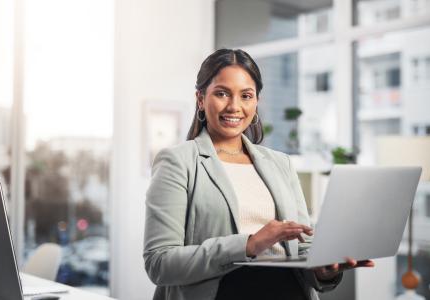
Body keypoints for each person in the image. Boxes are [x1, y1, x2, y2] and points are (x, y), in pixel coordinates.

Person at [143, 49, 374, 300]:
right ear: (200, 98)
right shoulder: (178, 162)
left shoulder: (280, 163)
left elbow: (303, 246)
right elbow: (160, 262)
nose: (234, 106)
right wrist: (249, 244)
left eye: (246, 96)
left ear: (256, 102)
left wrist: (324, 270)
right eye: (221, 93)